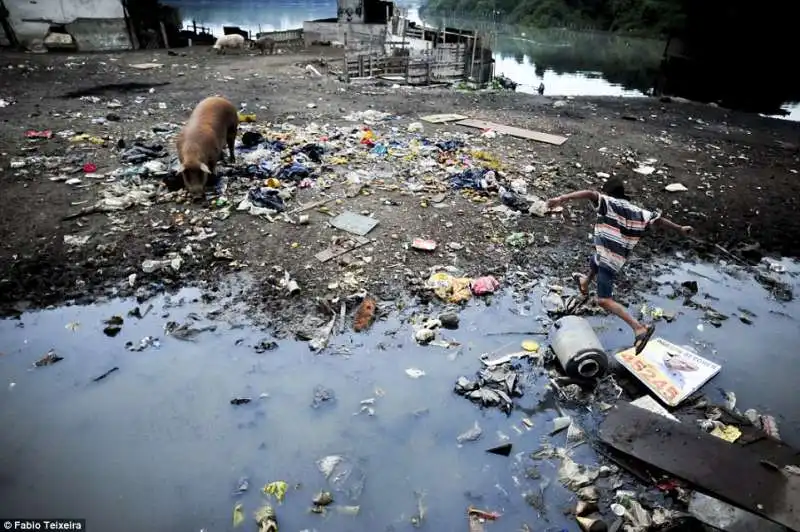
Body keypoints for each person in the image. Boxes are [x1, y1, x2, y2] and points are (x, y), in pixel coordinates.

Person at [545, 177, 693, 354]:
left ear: (608, 193)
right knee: (595, 259)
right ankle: (585, 282)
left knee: (604, 300)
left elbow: (590, 194)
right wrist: (680, 228)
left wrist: (560, 199)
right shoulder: (639, 211)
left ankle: (639, 328)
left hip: (609, 258)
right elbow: (659, 221)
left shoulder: (609, 202)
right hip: (616, 255)